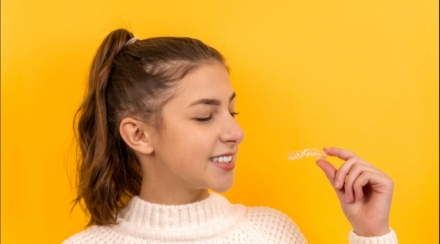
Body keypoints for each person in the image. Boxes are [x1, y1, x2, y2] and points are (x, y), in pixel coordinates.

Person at [64, 29, 398, 243]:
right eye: (204, 116)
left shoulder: (270, 234)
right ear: (138, 135)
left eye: (232, 112)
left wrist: (372, 234)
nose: (236, 132)